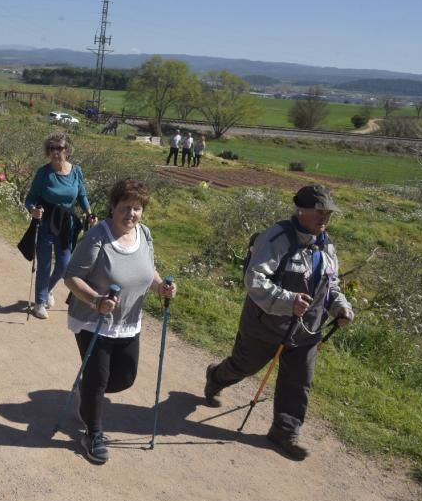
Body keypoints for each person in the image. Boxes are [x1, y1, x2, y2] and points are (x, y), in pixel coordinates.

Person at [203, 184, 354, 461]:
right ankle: (215, 377)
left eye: (328, 213)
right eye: (318, 212)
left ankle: (284, 432)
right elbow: (254, 280)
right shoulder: (276, 237)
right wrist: (289, 301)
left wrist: (340, 307)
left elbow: (330, 284)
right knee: (243, 366)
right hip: (265, 325)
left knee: (299, 381)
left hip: (307, 329)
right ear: (301, 210)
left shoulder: (326, 244)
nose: (324, 218)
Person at [63, 179, 178, 464]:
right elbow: (71, 276)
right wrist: (96, 300)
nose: (131, 213)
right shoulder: (97, 236)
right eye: (125, 207)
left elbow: (148, 270)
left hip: (129, 320)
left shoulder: (144, 234)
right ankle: (93, 432)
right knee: (99, 379)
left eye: (137, 208)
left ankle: (86, 390)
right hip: (94, 319)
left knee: (124, 378)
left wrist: (162, 286)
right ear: (113, 207)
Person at [25, 132, 93, 320]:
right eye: (52, 149)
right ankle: (39, 302)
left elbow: (81, 195)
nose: (56, 152)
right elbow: (30, 197)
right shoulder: (44, 172)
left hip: (66, 223)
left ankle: (47, 290)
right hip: (46, 221)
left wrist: (89, 212)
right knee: (45, 263)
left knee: (64, 264)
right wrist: (32, 210)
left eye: (60, 148)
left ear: (67, 150)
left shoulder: (76, 171)